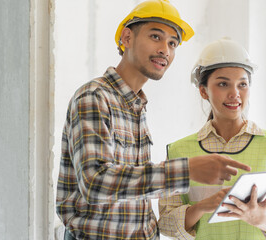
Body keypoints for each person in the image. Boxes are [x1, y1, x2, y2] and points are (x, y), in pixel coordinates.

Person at [56, 1, 251, 239]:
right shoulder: (94, 97)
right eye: (156, 37)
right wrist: (187, 171)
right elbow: (96, 184)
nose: (165, 50)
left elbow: (133, 194)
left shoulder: (137, 106)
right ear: (127, 38)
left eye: (172, 43)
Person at [158, 38, 266, 239]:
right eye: (223, 84)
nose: (235, 94)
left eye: (243, 84)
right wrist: (201, 207)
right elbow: (165, 221)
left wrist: (261, 219)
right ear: (203, 91)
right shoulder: (179, 151)